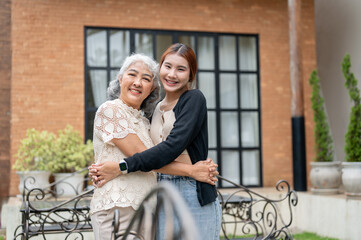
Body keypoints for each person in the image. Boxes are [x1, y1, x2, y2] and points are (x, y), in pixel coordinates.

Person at [90, 43, 222, 240]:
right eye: (168, 66)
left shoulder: (193, 99)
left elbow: (169, 148)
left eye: (181, 69)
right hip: (157, 194)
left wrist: (120, 167)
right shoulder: (154, 110)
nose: (172, 74)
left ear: (190, 75)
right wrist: (191, 169)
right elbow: (148, 154)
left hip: (190, 191)